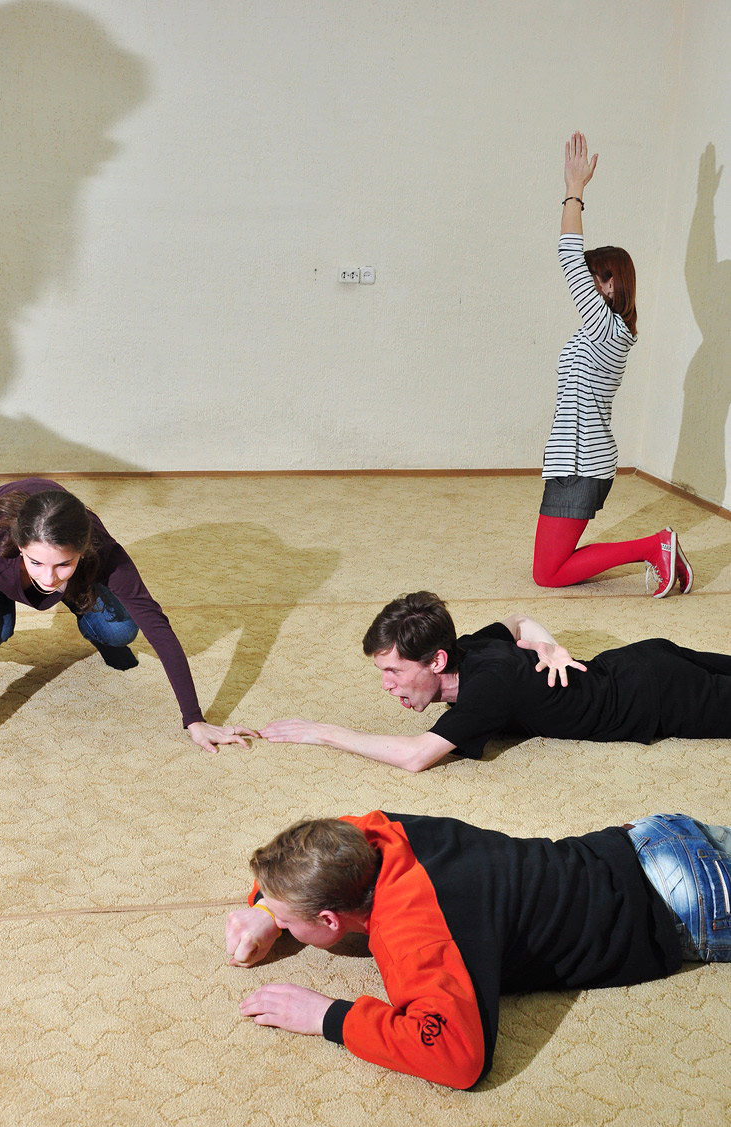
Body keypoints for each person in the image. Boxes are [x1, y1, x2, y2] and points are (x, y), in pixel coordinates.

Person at [226, 810, 730, 1089]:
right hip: (654, 838)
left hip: (686, 903)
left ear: (330, 920)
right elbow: (325, 834)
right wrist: (266, 909)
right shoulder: (380, 834)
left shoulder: (417, 938)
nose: (280, 923)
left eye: (289, 918)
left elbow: (456, 1057)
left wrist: (327, 1016)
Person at [0, 478, 255, 789]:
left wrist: (194, 719)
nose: (48, 579)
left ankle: (95, 627)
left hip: (67, 554)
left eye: (63, 564)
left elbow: (155, 622)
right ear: (21, 548)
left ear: (83, 551)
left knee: (119, 630)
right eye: (36, 563)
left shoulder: (102, 548)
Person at [259, 591, 731, 771]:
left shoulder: (486, 690)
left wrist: (323, 732)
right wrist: (551, 645)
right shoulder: (469, 648)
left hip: (665, 699)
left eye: (394, 671)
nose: (387, 685)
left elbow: (416, 756)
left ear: (437, 660)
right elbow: (519, 619)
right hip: (642, 660)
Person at [533, 131, 692, 597]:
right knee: (549, 569)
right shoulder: (607, 330)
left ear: (610, 282)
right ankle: (655, 547)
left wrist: (574, 189)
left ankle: (654, 546)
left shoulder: (607, 327)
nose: (585, 282)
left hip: (581, 461)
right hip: (578, 457)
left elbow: (567, 256)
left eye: (593, 276)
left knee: (548, 574)